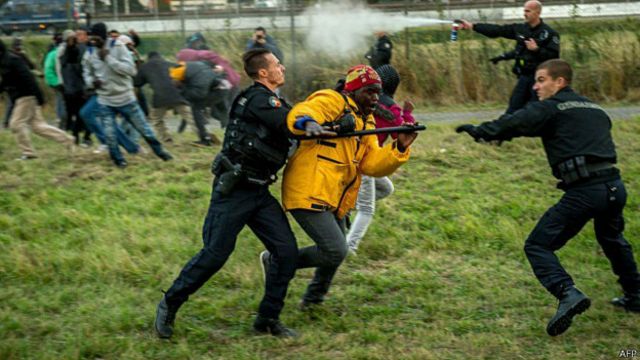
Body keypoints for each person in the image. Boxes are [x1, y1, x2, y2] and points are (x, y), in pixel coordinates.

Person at [456, 59, 640, 336]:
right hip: (614, 188)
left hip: (585, 192)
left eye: (541, 80)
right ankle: (635, 295)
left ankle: (568, 293)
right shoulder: (594, 108)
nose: (535, 86)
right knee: (613, 240)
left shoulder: (552, 107)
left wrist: (481, 131)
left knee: (537, 245)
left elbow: (517, 121)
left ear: (560, 82)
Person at [155, 49, 299, 339]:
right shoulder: (258, 99)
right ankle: (169, 303)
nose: (281, 67)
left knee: (286, 253)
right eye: (276, 64)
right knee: (215, 255)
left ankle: (267, 319)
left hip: (258, 191)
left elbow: (298, 122)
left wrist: (334, 125)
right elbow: (293, 123)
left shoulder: (274, 101)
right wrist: (318, 124)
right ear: (262, 73)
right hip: (234, 191)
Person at [272, 64, 418, 310]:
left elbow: (371, 164)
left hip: (336, 195)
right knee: (336, 250)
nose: (375, 98)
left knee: (333, 253)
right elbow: (304, 111)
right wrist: (307, 123)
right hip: (309, 189)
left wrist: (399, 148)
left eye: (378, 92)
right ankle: (278, 262)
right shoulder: (332, 100)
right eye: (370, 92)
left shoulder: (366, 119)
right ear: (353, 90)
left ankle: (313, 301)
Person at [346, 64, 415, 254]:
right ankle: (349, 247)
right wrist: (407, 112)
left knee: (386, 188)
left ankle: (345, 208)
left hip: (352, 155)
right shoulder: (390, 108)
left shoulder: (359, 100)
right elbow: (401, 133)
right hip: (366, 160)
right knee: (367, 209)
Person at [82, 22, 172, 168]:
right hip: (105, 100)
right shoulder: (89, 53)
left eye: (96, 38)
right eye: (91, 37)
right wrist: (92, 83)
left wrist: (109, 59)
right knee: (110, 136)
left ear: (104, 36)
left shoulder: (118, 47)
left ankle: (161, 153)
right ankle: (119, 161)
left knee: (145, 130)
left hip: (126, 98)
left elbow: (131, 70)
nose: (93, 41)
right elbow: (86, 74)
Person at [458, 0, 559, 114]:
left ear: (538, 12)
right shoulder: (520, 29)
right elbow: (498, 30)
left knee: (538, 110)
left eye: (528, 11)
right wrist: (473, 26)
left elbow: (554, 56)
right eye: (524, 11)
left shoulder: (549, 33)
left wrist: (537, 49)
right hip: (524, 76)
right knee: (513, 108)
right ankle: (506, 128)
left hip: (540, 79)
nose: (524, 14)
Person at [0, 39, 75, 160]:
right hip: (21, 97)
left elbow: (29, 78)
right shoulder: (4, 61)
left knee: (16, 124)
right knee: (37, 126)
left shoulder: (13, 60)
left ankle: (29, 153)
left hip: (26, 96)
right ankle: (67, 140)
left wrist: (39, 97)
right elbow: (5, 82)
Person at [134, 52, 196, 143]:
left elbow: (137, 83)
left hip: (160, 98)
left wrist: (139, 69)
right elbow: (184, 77)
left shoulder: (145, 67)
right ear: (161, 57)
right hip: (177, 95)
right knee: (190, 117)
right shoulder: (171, 64)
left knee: (156, 119)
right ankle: (204, 135)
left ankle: (166, 139)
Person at [169, 60, 225, 146]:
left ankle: (206, 139)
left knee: (197, 110)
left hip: (216, 90)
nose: (175, 84)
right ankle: (207, 135)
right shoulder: (192, 68)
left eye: (176, 82)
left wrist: (184, 93)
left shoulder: (191, 77)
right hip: (221, 87)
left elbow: (199, 93)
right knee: (200, 110)